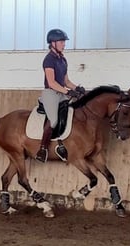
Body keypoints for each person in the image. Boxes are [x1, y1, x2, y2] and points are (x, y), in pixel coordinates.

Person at [35, 28, 86, 163]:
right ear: (53, 43)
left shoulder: (62, 59)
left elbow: (66, 81)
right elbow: (51, 83)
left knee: (72, 114)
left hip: (61, 92)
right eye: (62, 42)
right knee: (54, 120)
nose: (64, 44)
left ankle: (63, 145)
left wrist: (77, 89)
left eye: (64, 42)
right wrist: (68, 92)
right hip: (50, 93)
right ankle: (43, 149)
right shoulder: (49, 60)